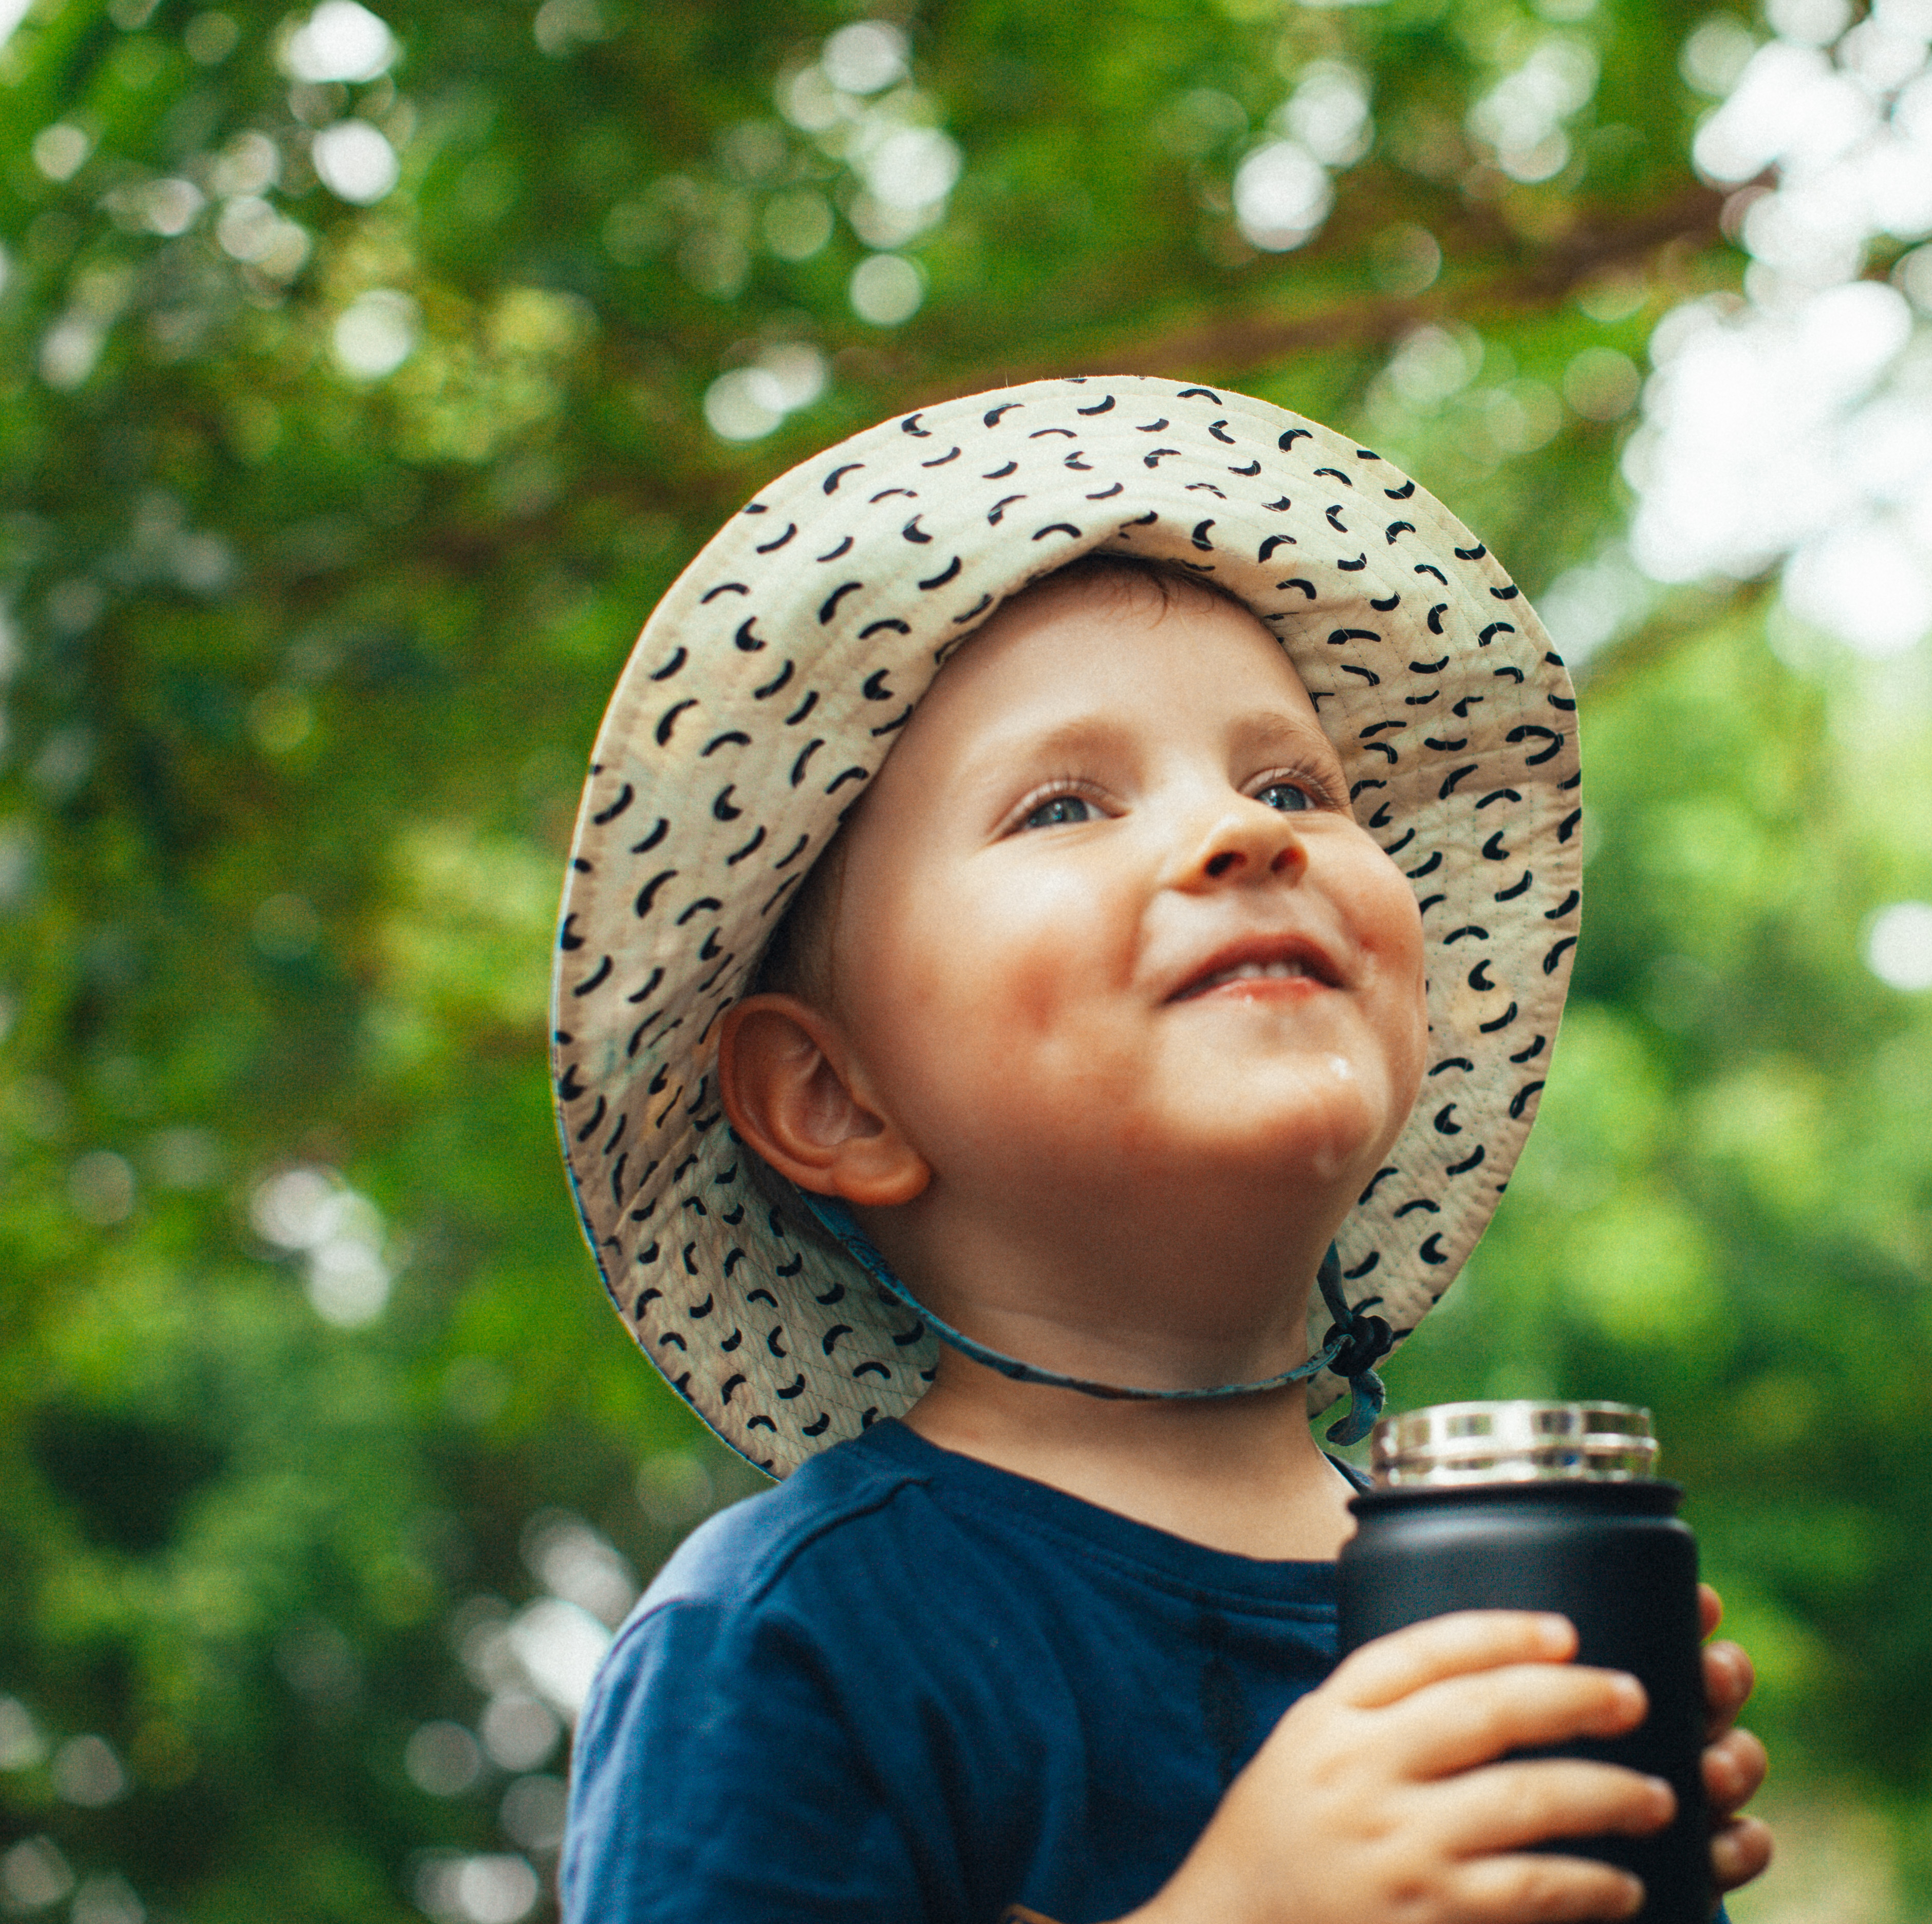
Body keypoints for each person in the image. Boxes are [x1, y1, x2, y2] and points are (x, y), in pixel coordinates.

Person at [551, 375, 1771, 1922]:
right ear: (833, 1098)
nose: (1248, 833)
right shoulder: (789, 1647)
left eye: (1292, 785)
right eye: (1065, 806)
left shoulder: (1491, 1598)